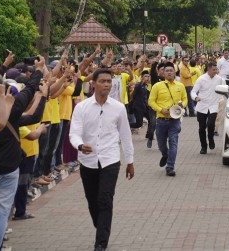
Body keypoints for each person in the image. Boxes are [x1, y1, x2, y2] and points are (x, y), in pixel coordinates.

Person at [69, 68, 135, 251]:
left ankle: (101, 243)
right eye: (103, 81)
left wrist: (130, 161)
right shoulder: (82, 107)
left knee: (105, 199)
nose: (107, 84)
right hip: (88, 161)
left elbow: (126, 136)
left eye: (109, 81)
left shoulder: (118, 108)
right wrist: (80, 145)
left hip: (110, 160)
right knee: (93, 201)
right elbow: (74, 133)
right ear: (93, 83)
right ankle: (102, 227)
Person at [148, 63, 187, 176]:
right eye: (167, 71)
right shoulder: (157, 86)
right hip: (161, 120)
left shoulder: (180, 86)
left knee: (173, 142)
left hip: (175, 120)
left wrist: (182, 105)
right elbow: (151, 101)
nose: (169, 72)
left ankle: (170, 167)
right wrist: (160, 110)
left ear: (175, 72)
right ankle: (165, 155)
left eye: (171, 70)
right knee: (161, 144)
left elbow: (185, 99)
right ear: (163, 73)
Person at [191, 62, 225, 154]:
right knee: (201, 128)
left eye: (216, 69)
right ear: (208, 69)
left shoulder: (219, 79)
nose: (216, 71)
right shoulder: (201, 79)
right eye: (214, 70)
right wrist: (195, 97)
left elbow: (224, 89)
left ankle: (211, 139)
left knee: (210, 124)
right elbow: (193, 92)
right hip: (202, 106)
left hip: (213, 105)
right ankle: (203, 146)